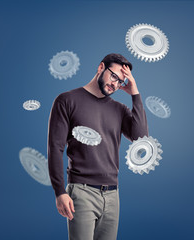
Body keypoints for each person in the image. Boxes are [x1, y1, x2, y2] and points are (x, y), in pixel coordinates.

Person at [47, 53, 148, 240]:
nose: (115, 84)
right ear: (101, 67)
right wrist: (60, 191)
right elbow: (55, 148)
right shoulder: (67, 100)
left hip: (112, 196)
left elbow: (141, 138)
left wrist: (135, 93)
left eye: (121, 81)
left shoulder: (119, 109)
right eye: (114, 76)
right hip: (82, 193)